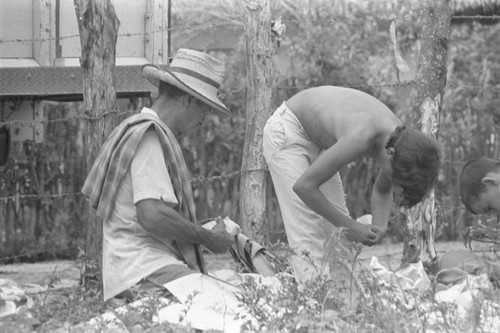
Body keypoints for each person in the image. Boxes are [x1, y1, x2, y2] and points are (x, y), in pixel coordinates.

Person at [81, 48, 235, 302]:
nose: (203, 118)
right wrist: (208, 237)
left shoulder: (136, 129)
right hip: (144, 272)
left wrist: (197, 230)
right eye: (204, 108)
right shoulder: (150, 137)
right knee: (228, 304)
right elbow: (151, 215)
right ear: (188, 100)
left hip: (134, 270)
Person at [262, 86, 441, 282]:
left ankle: (347, 299)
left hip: (318, 143)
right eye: (393, 175)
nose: (389, 179)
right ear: (390, 155)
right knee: (308, 233)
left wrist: (379, 226)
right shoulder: (361, 137)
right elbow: (304, 187)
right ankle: (315, 302)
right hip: (287, 132)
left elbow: (382, 191)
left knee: (338, 234)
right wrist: (350, 225)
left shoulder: (400, 142)